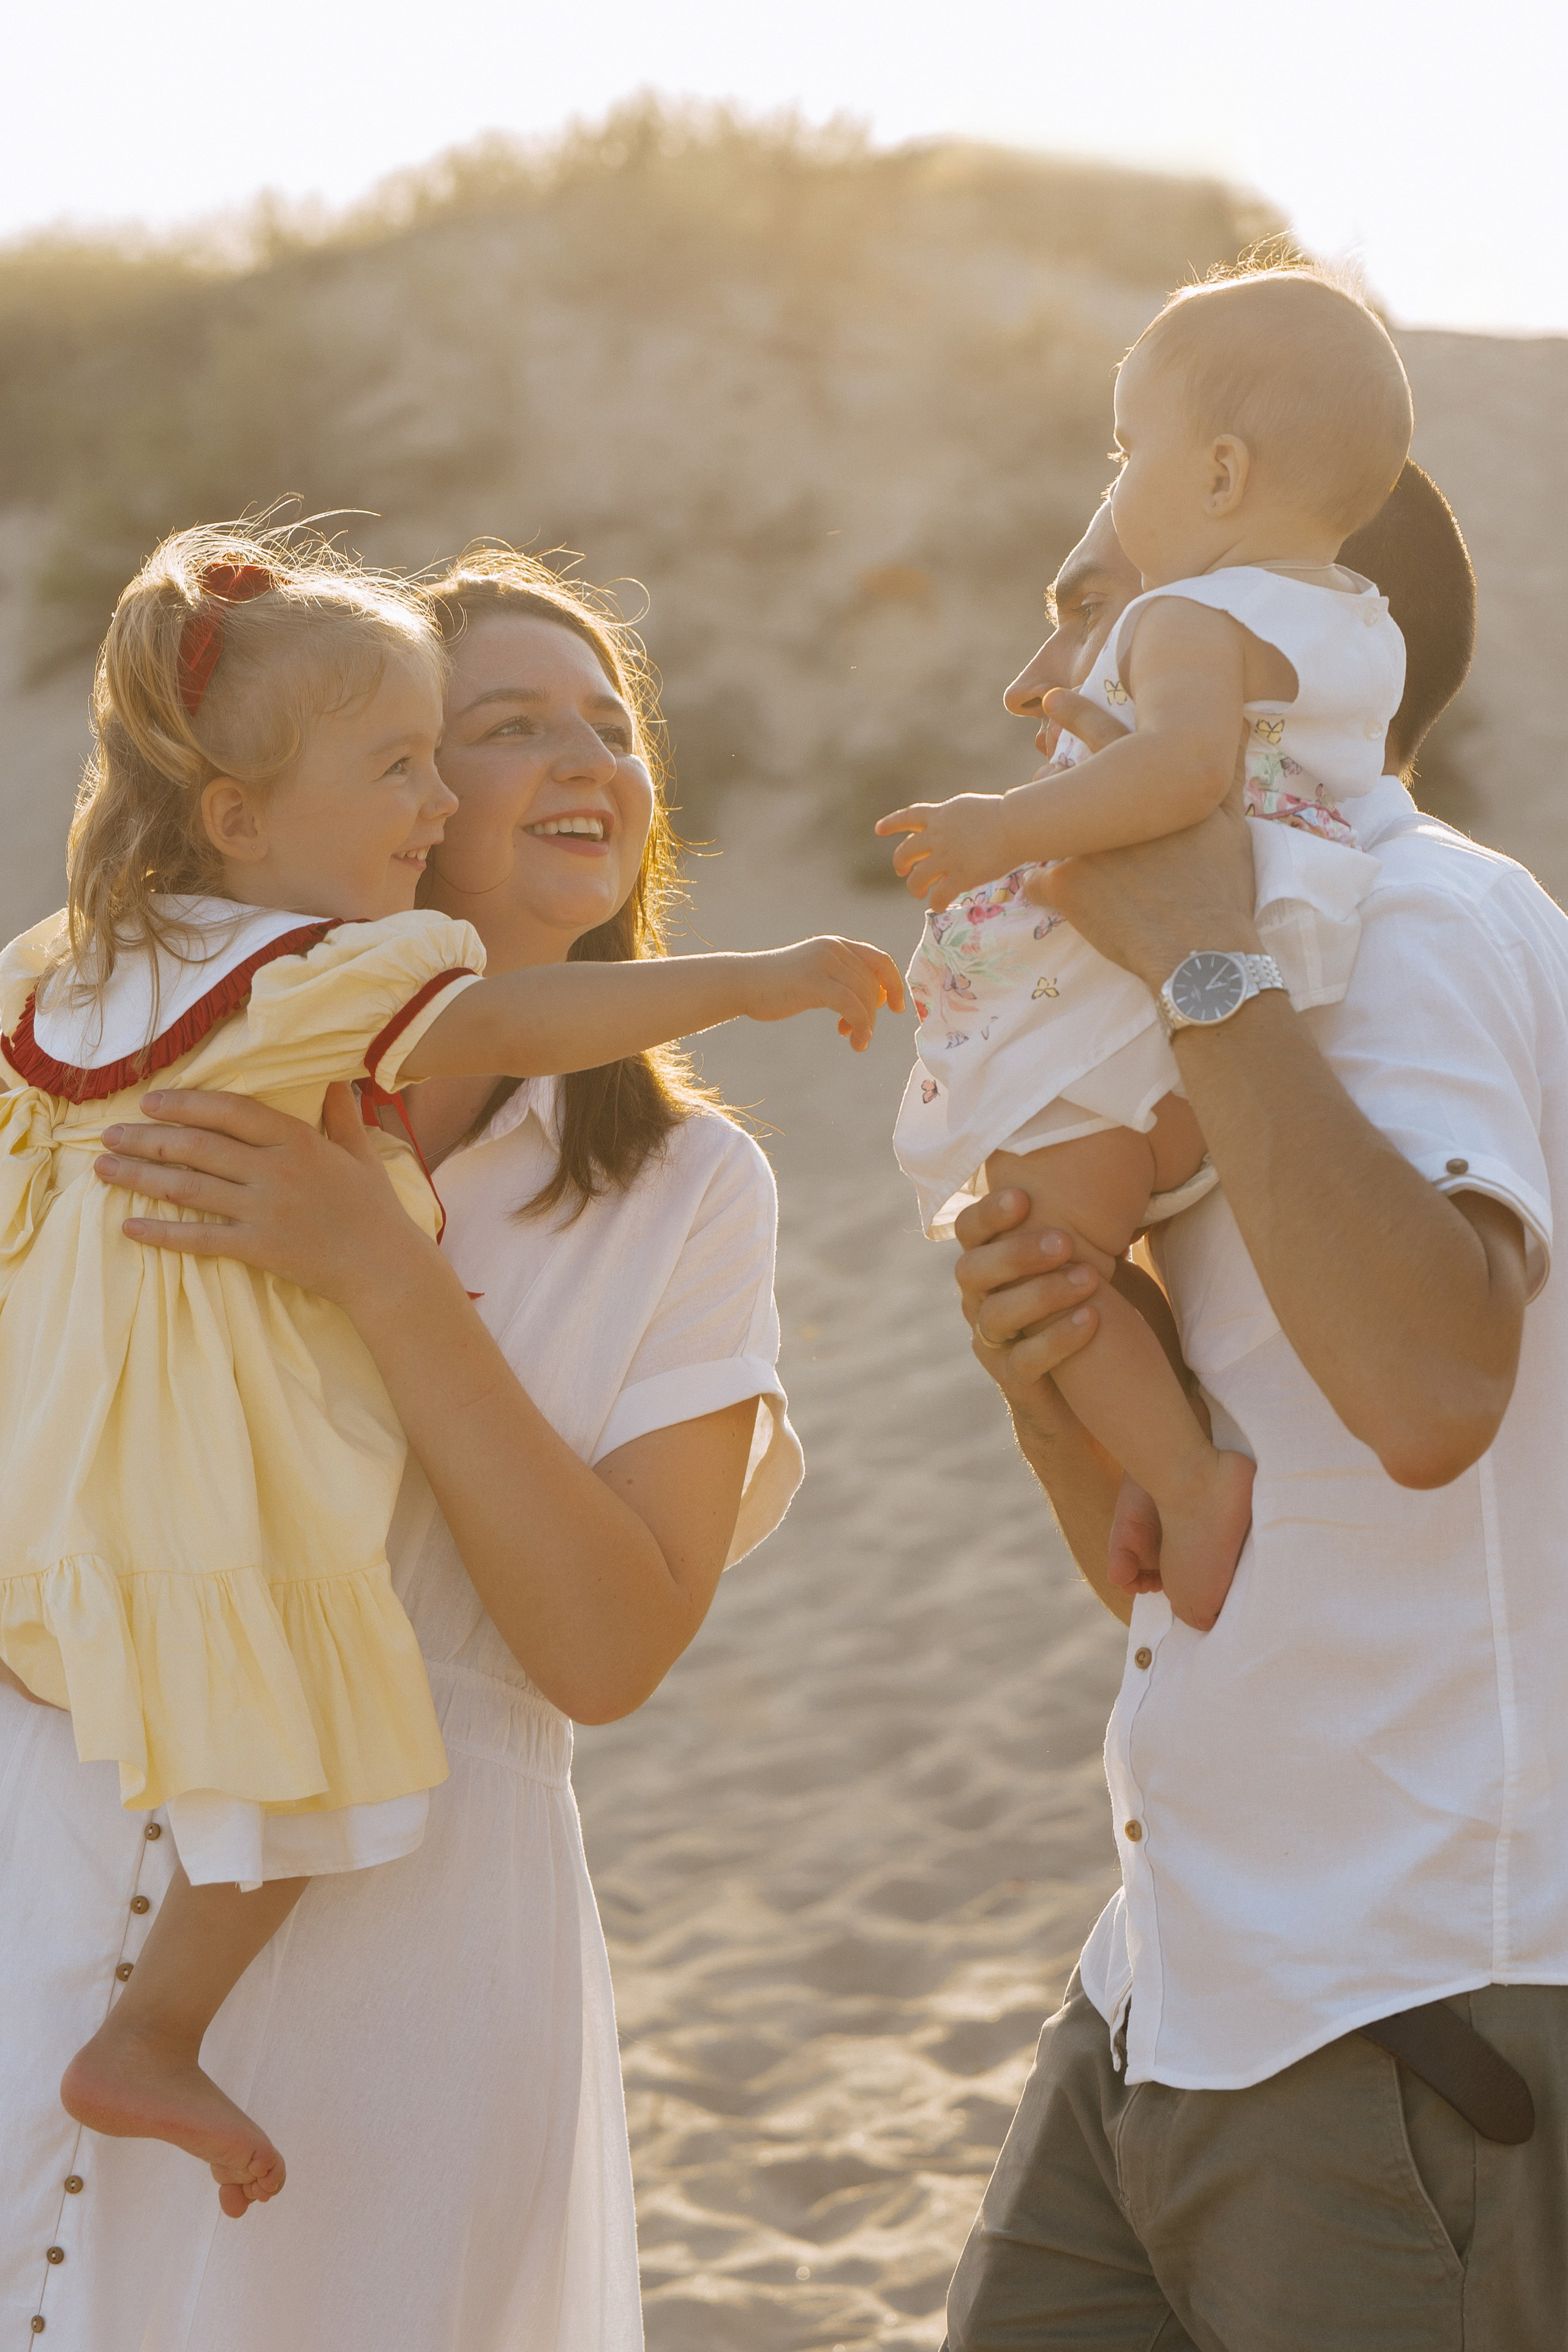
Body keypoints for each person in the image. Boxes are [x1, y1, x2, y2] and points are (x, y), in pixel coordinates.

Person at [0, 522, 901, 2218]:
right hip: (42, 1872)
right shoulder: (135, 1052)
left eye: (612, 721)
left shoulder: (691, 1191)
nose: (585, 761)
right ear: (282, 790)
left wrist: (376, 1270)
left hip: (410, 1968)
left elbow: (612, 1650)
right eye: (487, 730)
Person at [941, 464, 1568, 2345]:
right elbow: (1162, 1573)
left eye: (1108, 609)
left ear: (1291, 652)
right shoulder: (1160, 997)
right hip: (1165, 1991)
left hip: (1406, 2021)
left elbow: (1433, 1388)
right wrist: (1050, 1372)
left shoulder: (1420, 927)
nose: (1048, 668)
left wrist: (1204, 965)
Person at [878, 267, 1412, 1632]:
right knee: (1075, 1263)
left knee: (1039, 1249)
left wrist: (1004, 823)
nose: (1116, 481)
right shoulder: (1355, 624)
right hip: (1282, 955)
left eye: (1125, 450)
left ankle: (1185, 1477)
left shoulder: (1182, 618)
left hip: (1130, 985)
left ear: (1218, 470)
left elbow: (1177, 772)